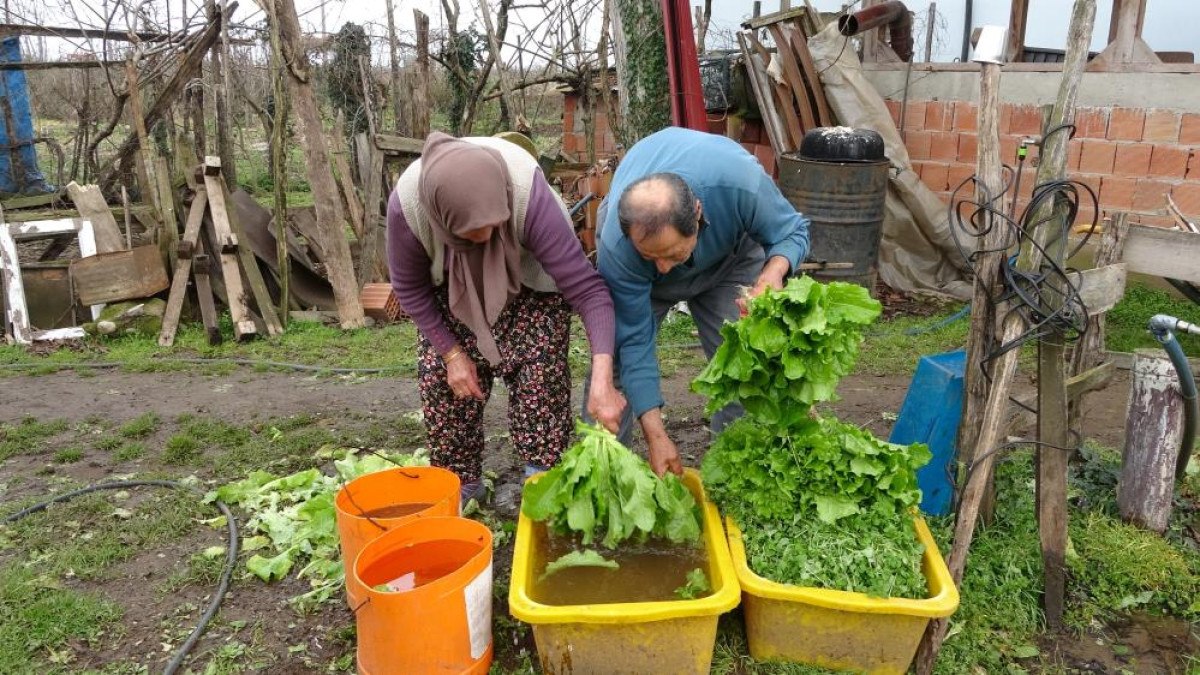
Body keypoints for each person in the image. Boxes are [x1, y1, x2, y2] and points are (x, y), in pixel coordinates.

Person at [388, 132, 626, 500]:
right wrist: (452, 355)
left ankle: (543, 482)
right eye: (470, 233)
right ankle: (461, 487)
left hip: (530, 284)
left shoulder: (529, 198)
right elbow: (409, 289)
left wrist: (602, 378)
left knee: (542, 378)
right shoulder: (409, 208)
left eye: (493, 226)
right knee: (445, 382)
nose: (485, 237)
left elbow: (588, 291)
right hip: (450, 290)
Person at [592, 127, 810, 476]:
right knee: (613, 370)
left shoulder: (739, 181)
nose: (662, 267)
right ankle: (609, 478)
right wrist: (656, 435)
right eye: (652, 256)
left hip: (730, 262)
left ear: (697, 213)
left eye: (670, 254)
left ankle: (737, 471)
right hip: (638, 276)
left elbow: (791, 232)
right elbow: (635, 339)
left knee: (744, 361)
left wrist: (773, 273)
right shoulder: (621, 247)